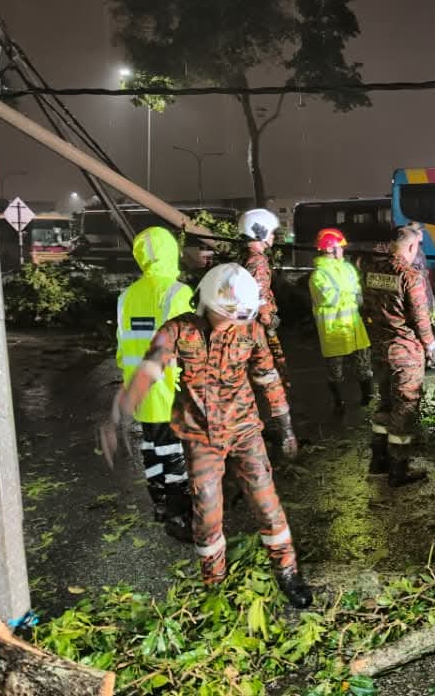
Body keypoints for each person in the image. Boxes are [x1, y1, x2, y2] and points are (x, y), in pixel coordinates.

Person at [109, 263, 312, 607]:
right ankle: (214, 584)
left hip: (245, 430)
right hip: (200, 435)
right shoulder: (178, 331)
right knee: (206, 510)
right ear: (206, 302)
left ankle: (288, 574)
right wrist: (119, 414)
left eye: (239, 314)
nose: (232, 321)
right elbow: (149, 369)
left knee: (267, 505)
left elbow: (268, 378)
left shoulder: (251, 331)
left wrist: (286, 427)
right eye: (225, 312)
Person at [116, 227, 195, 542]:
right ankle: (178, 514)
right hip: (170, 391)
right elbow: (189, 349)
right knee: (174, 452)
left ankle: (160, 503)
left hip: (140, 391)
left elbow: (122, 348)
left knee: (151, 448)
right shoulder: (179, 293)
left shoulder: (126, 296)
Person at [363, 227, 435, 486]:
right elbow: (420, 317)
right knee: (404, 409)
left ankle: (377, 463)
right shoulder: (409, 276)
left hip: (379, 349)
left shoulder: (371, 271)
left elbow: (366, 309)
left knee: (384, 404)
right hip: (404, 352)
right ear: (410, 247)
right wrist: (429, 345)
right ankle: (398, 470)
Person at [308, 228, 373, 415]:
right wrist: (349, 292)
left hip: (354, 328)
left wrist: (349, 293)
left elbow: (358, 294)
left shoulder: (348, 268)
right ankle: (339, 403)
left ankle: (368, 399)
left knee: (365, 367)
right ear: (329, 249)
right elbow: (331, 299)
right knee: (336, 373)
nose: (343, 250)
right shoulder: (318, 275)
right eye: (340, 247)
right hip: (334, 331)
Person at [239, 208, 289, 379]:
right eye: (272, 232)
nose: (273, 236)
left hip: (245, 323)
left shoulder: (244, 256)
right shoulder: (258, 261)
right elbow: (259, 294)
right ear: (261, 231)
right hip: (259, 324)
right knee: (270, 366)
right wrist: (268, 320)